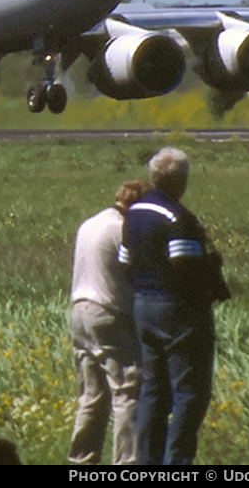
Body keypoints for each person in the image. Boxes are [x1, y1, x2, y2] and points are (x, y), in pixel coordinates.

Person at [123, 148, 227, 465]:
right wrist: (207, 287)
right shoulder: (178, 218)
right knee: (189, 392)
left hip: (143, 303)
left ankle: (145, 460)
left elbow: (124, 262)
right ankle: (177, 461)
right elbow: (185, 264)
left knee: (153, 389)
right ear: (180, 180)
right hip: (178, 307)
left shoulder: (134, 212)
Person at [68, 180, 146, 465]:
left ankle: (80, 461)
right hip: (109, 311)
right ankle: (127, 463)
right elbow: (134, 270)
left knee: (91, 395)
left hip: (79, 310)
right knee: (127, 390)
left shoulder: (88, 224)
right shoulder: (122, 229)